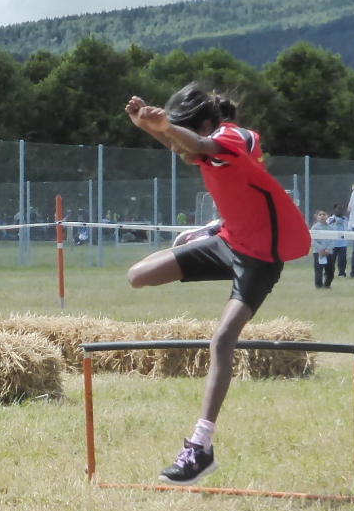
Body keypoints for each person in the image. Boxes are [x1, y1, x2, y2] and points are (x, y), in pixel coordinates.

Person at [123, 84, 311, 486]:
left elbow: (198, 145)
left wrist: (167, 128)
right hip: (228, 243)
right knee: (138, 275)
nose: (178, 150)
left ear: (206, 126)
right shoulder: (206, 146)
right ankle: (210, 231)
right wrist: (147, 126)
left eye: (181, 138)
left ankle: (200, 447)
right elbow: (188, 146)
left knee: (223, 340)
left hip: (260, 259)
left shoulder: (233, 137)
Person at [310, 209, 336, 289]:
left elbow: (334, 239)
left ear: (328, 216)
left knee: (330, 270)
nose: (322, 216)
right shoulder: (315, 227)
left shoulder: (331, 227)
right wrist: (320, 249)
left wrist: (328, 249)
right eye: (320, 215)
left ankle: (327, 285)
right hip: (318, 252)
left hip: (329, 252)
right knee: (319, 270)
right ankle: (318, 285)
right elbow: (312, 240)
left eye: (324, 214)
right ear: (316, 217)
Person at [328, 204, 349, 277]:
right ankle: (329, 273)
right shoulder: (330, 219)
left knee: (342, 259)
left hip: (343, 243)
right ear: (335, 210)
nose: (340, 211)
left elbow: (347, 228)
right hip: (333, 243)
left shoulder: (345, 219)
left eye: (341, 209)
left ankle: (342, 273)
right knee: (331, 259)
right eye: (338, 209)